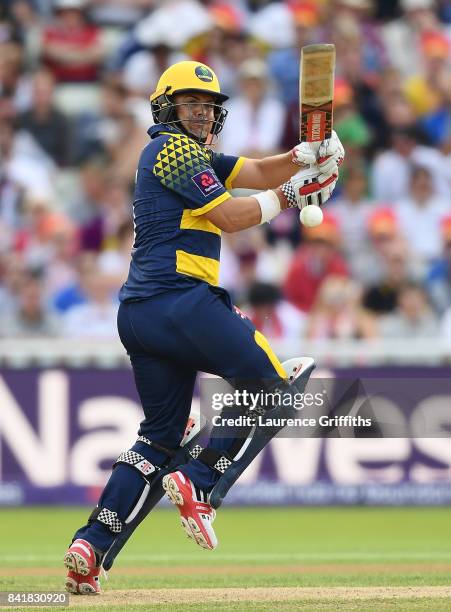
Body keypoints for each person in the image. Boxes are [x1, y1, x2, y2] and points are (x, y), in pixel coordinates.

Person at [62, 60, 344, 595]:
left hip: (142, 315)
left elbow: (256, 172)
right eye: (191, 104)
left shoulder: (190, 155)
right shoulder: (171, 149)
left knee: (160, 438)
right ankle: (201, 482)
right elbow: (232, 217)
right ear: (166, 107)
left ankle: (93, 543)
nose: (201, 113)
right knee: (279, 391)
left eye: (209, 107)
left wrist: (304, 158)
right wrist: (297, 195)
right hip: (181, 302)